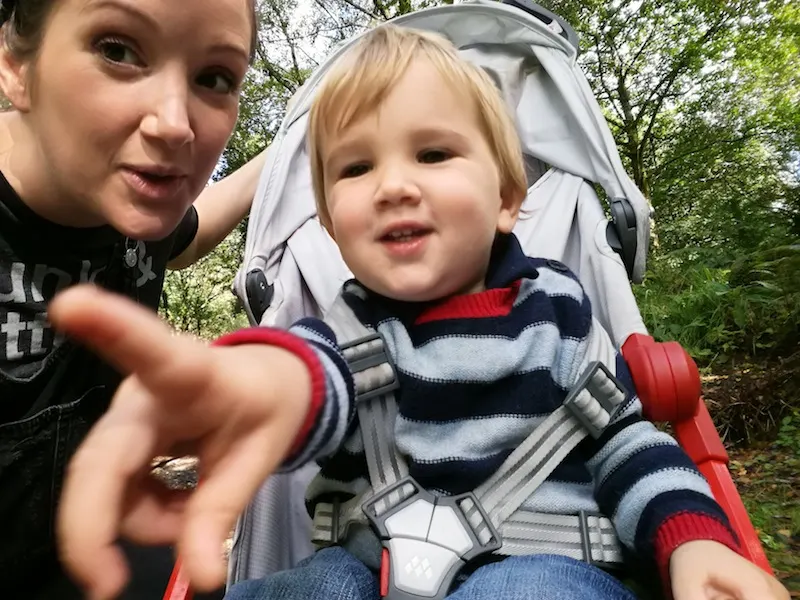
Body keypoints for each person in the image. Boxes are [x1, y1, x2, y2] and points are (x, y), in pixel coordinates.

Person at [49, 25, 790, 600]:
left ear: (507, 199)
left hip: (545, 563)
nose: (394, 186)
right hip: (363, 568)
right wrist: (252, 385)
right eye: (357, 167)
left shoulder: (557, 312)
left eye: (433, 155)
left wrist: (692, 537)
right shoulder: (345, 328)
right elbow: (309, 380)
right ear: (333, 226)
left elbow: (628, 445)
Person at [0, 0, 264, 597]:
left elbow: (188, 234)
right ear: (17, 65)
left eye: (214, 78)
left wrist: (295, 140)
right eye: (117, 50)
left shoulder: (129, 202)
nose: (175, 124)